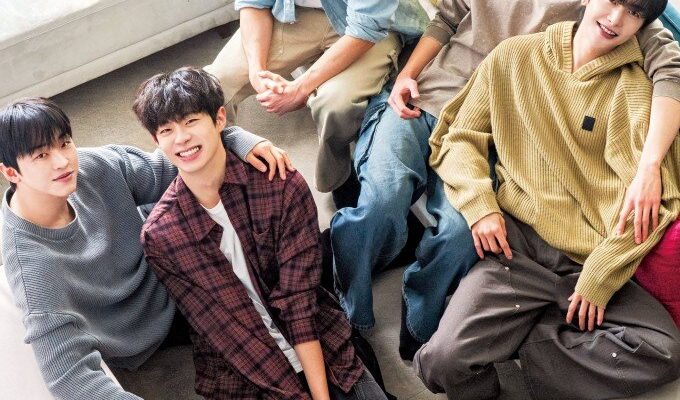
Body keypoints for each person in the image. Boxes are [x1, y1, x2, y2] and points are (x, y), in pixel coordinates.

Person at [330, 0, 680, 360]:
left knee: (460, 235)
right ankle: (348, 307)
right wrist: (408, 73)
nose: (619, 15)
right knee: (382, 202)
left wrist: (650, 164)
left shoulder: (609, 15)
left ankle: (420, 321)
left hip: (497, 127)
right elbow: (447, 18)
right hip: (430, 96)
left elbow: (667, 64)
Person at [0, 97, 292, 399]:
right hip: (143, 351)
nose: (62, 161)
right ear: (11, 173)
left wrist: (239, 140)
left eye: (64, 143)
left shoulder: (90, 167)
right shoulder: (31, 265)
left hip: (181, 283)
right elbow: (70, 379)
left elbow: (175, 162)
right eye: (41, 155)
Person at [136, 67, 386, 400]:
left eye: (191, 121)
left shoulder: (280, 184)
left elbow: (299, 302)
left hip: (315, 336)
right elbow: (230, 333)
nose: (181, 138)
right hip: (241, 370)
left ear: (220, 119)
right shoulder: (162, 237)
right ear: (156, 141)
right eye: (167, 130)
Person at [204, 0, 428, 206]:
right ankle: (221, 174)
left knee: (335, 104)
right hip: (300, 13)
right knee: (215, 84)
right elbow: (254, 2)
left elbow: (368, 26)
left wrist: (300, 89)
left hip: (374, 27)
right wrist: (256, 70)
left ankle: (339, 177)